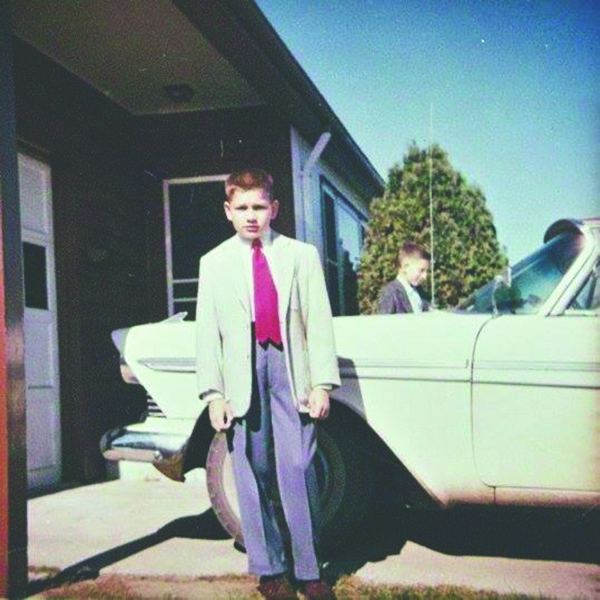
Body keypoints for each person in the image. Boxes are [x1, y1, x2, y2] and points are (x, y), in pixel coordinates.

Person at [195, 168, 340, 600]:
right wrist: (214, 393)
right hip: (242, 374)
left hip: (289, 367)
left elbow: (318, 323)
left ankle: (310, 569)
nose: (252, 216)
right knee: (252, 470)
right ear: (228, 211)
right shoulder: (214, 262)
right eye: (242, 208)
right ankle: (269, 569)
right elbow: (207, 335)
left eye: (259, 206)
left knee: (297, 467)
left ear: (274, 208)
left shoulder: (301, 255)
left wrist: (322, 384)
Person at [378, 242, 431, 314]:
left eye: (426, 271)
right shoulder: (391, 292)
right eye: (421, 270)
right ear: (405, 267)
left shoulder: (420, 292)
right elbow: (385, 323)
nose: (425, 276)